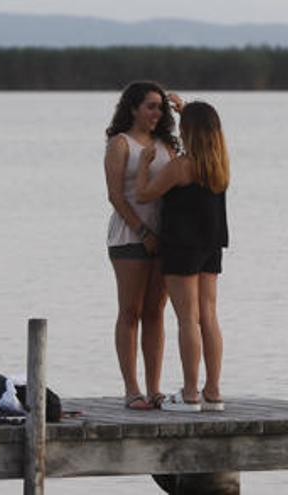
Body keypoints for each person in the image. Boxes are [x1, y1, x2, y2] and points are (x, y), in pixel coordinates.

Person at [136, 100, 230, 412]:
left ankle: (190, 393)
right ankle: (212, 391)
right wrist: (184, 106)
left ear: (189, 131)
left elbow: (144, 194)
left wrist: (145, 166)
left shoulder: (180, 167)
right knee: (209, 317)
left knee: (187, 318)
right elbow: (203, 121)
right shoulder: (219, 165)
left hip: (181, 246)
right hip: (210, 245)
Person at [104, 81, 180, 410]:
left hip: (165, 236)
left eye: (160, 107)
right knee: (130, 311)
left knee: (156, 312)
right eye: (150, 106)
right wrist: (143, 231)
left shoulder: (166, 143)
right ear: (133, 108)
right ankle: (131, 389)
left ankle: (154, 388)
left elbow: (197, 155)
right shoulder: (120, 144)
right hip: (129, 236)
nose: (157, 113)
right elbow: (116, 195)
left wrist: (184, 110)